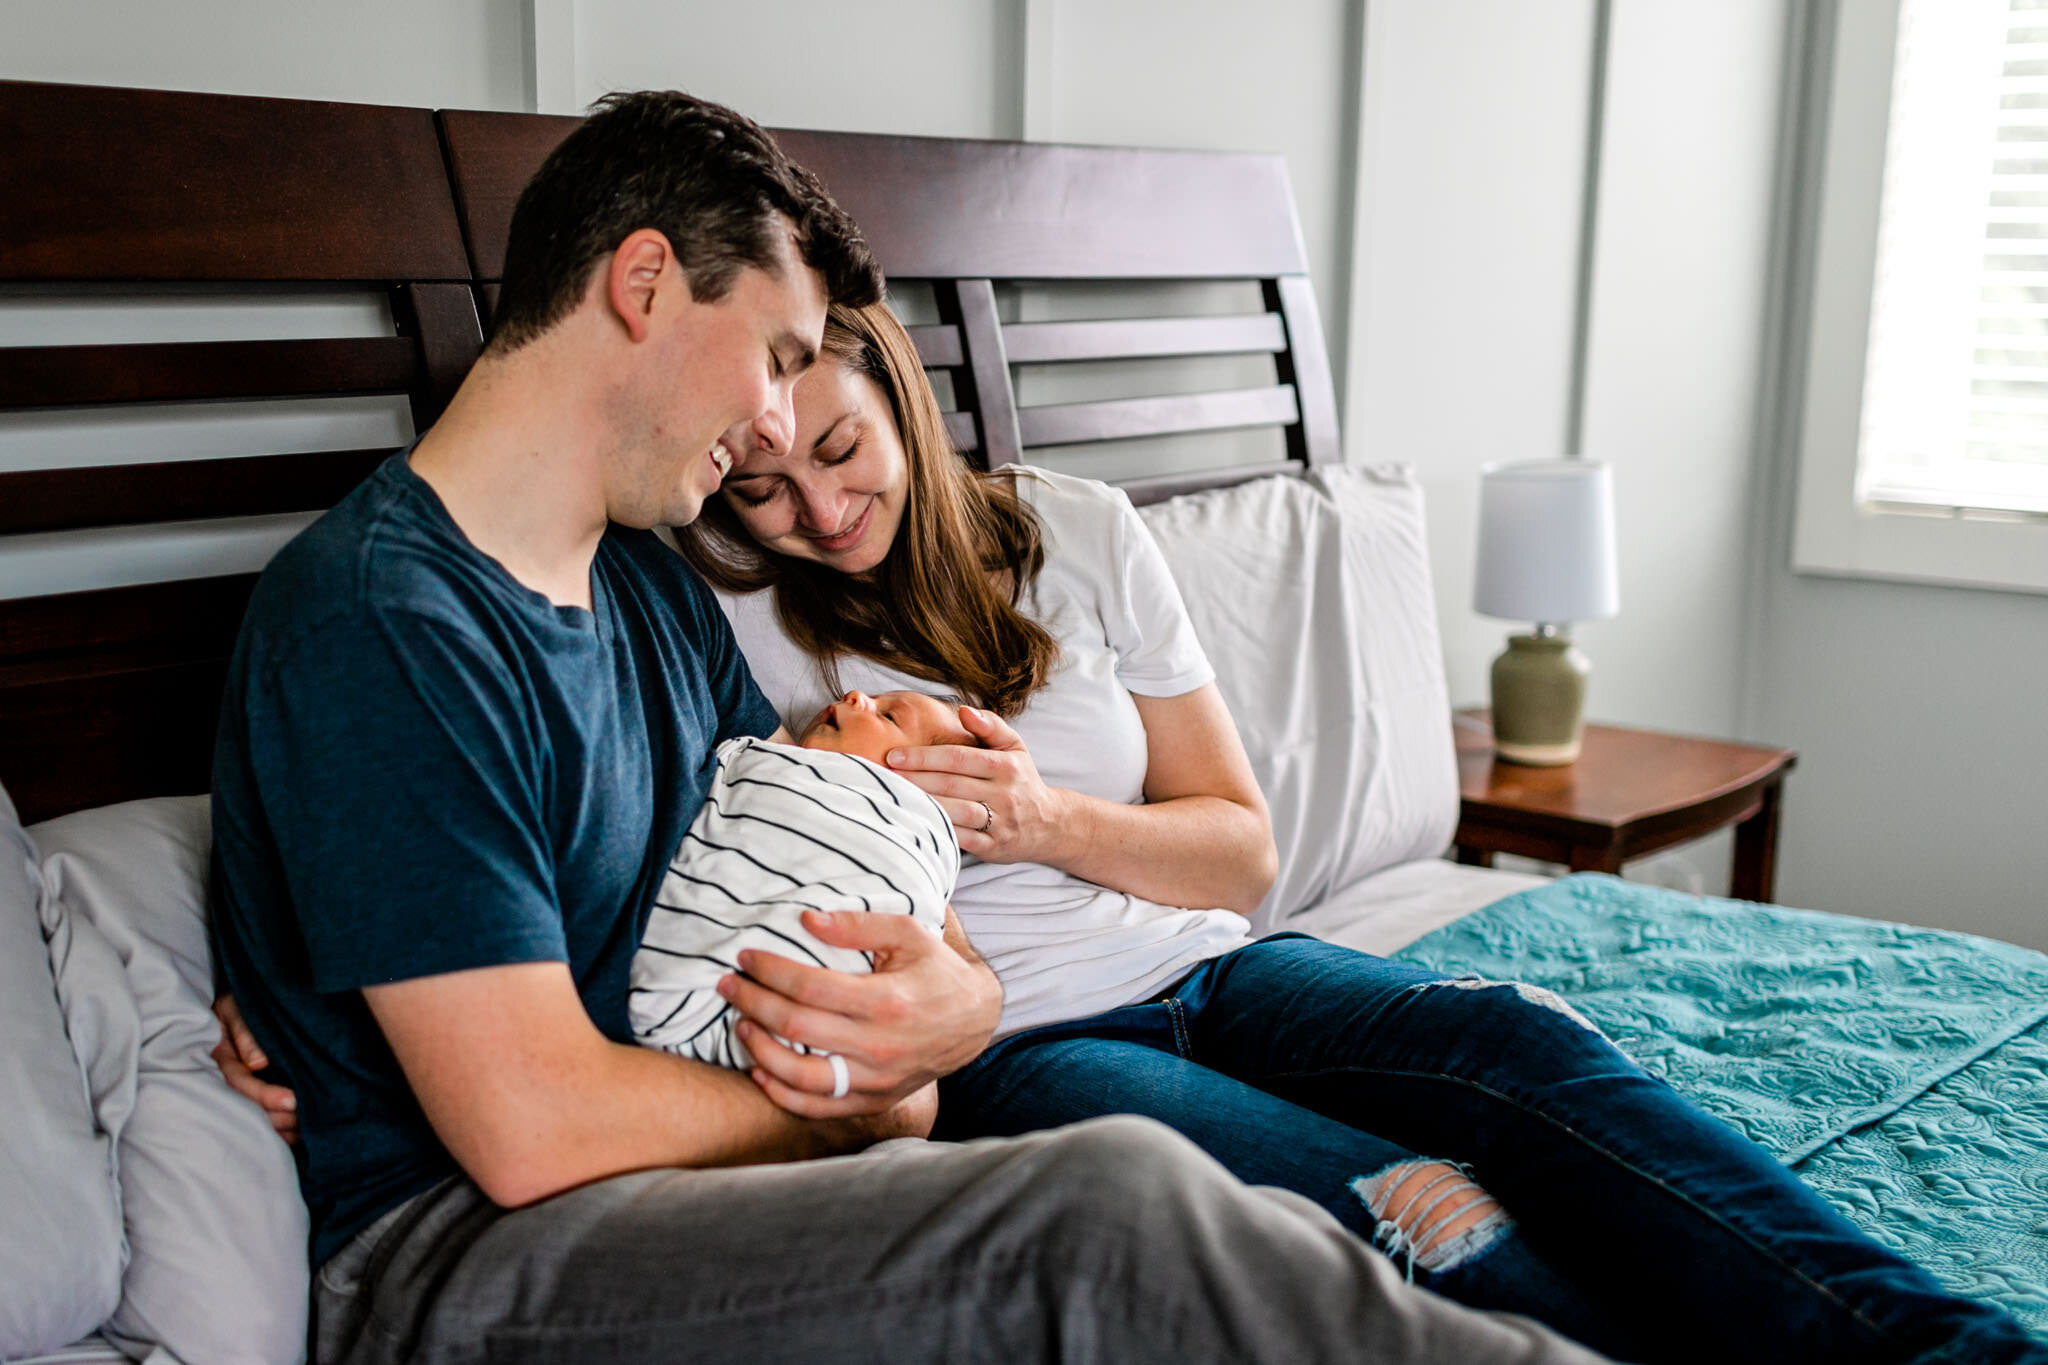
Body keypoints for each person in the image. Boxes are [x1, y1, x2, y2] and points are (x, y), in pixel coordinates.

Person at [205, 90, 1609, 1365]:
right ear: (642, 282)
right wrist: (868, 1097)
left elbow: (818, 868)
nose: (768, 421)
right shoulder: (381, 621)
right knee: (1109, 1212)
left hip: (709, 1158)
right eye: (772, 354)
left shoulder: (644, 587)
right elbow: (530, 1133)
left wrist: (952, 1004)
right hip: (463, 1258)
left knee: (1433, 1112)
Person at [669, 297, 2048, 1365]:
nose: (819, 512)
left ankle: (1943, 1347)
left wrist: (1047, 820)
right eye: (761, 492)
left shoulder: (1073, 531)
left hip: (1223, 965)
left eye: (844, 451)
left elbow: (1241, 850)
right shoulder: (729, 622)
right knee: (1418, 1203)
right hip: (1027, 1050)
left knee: (1529, 1050)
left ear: (901, 395)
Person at [630, 690, 962, 1070]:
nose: (856, 696)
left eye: (888, 717)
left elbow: (915, 915)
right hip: (708, 1012)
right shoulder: (780, 769)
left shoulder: (915, 839)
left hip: (810, 1031)